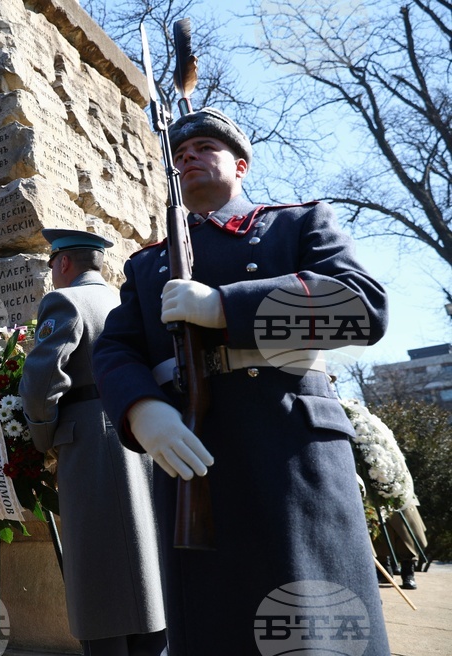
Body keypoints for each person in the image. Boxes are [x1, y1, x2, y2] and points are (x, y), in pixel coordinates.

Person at [92, 107, 390, 654]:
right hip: (193, 453)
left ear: (241, 165)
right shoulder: (147, 264)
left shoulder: (296, 224)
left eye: (205, 148)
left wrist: (225, 306)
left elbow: (361, 308)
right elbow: (115, 349)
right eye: (180, 154)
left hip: (288, 449)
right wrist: (141, 409)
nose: (189, 157)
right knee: (214, 624)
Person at [20, 229, 167, 656]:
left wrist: (43, 438)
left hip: (88, 442)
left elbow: (40, 383)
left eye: (52, 264)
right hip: (139, 431)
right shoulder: (124, 303)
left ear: (64, 262)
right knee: (144, 557)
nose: (52, 272)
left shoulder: (65, 302)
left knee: (98, 569)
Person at [375, 504, 428, 590]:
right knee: (379, 534)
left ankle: (408, 574)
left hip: (400, 501)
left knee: (406, 534)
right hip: (375, 501)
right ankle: (384, 572)